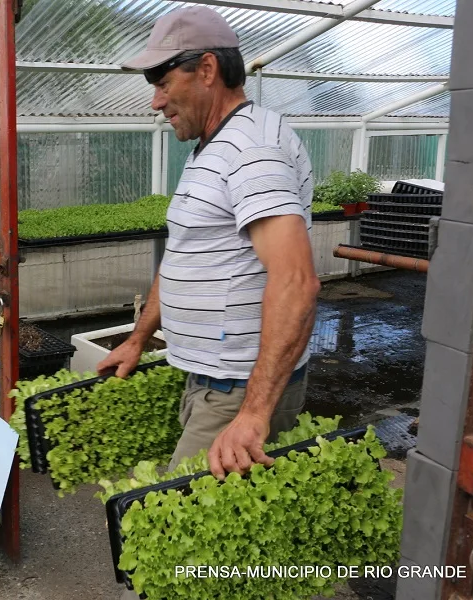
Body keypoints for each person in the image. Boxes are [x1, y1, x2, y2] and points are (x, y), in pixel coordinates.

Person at [98, 7, 320, 482]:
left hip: (238, 392)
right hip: (215, 383)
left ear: (206, 70)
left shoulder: (251, 150)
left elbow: (296, 281)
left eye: (161, 82)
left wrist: (254, 414)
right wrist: (138, 338)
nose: (156, 102)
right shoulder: (214, 145)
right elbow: (185, 253)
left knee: (178, 531)